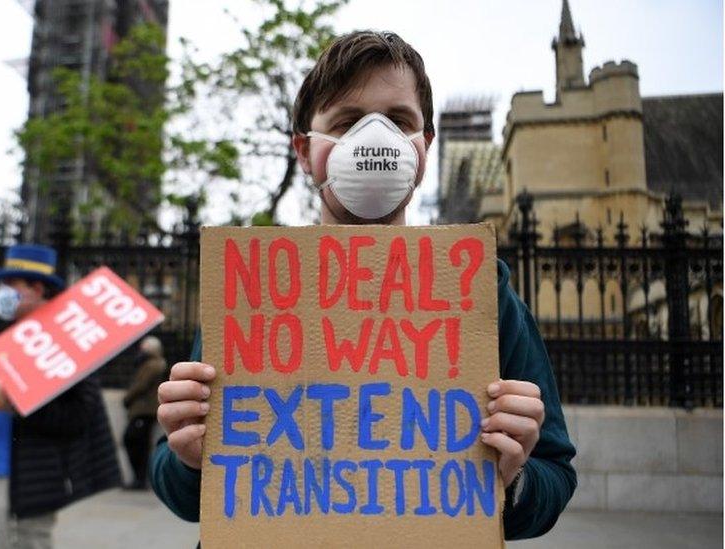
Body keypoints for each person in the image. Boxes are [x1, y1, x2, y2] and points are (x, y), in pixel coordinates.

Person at [149, 30, 577, 541]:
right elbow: (179, 490)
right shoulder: (254, 288)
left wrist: (514, 477)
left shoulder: (484, 292)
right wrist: (189, 459)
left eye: (399, 121)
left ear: (424, 148)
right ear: (305, 153)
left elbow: (554, 476)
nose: (375, 139)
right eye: (348, 122)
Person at [0, 244, 122, 549]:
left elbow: (78, 415)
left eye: (10, 285)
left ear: (36, 287)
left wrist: (14, 403)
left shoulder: (68, 339)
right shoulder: (12, 338)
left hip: (31, 482)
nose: (2, 293)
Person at [121, 336, 167, 490]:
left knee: (134, 441)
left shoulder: (153, 365)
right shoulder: (147, 363)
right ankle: (139, 478)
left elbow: (141, 385)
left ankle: (140, 479)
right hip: (142, 410)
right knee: (137, 442)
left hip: (145, 410)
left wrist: (127, 398)